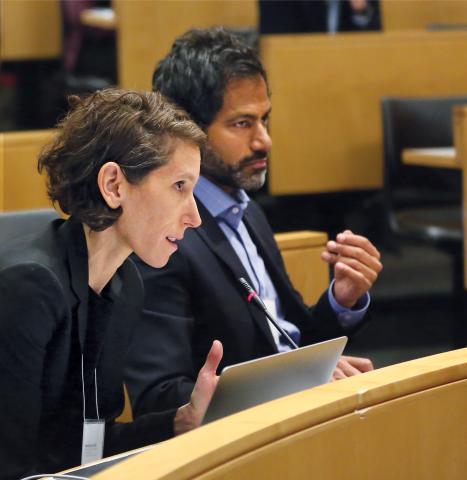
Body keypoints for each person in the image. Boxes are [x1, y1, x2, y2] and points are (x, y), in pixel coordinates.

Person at [125, 28, 382, 416]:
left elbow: (289, 343)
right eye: (242, 124)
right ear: (186, 130)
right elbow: (161, 397)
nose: (264, 141)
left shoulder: (249, 212)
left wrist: (340, 301)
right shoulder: (164, 238)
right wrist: (294, 386)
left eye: (265, 120)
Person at [0, 88, 222, 479]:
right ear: (114, 186)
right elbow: (12, 465)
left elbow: (87, 447)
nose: (195, 217)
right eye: (179, 187)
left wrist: (181, 421)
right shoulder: (30, 289)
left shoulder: (124, 285)